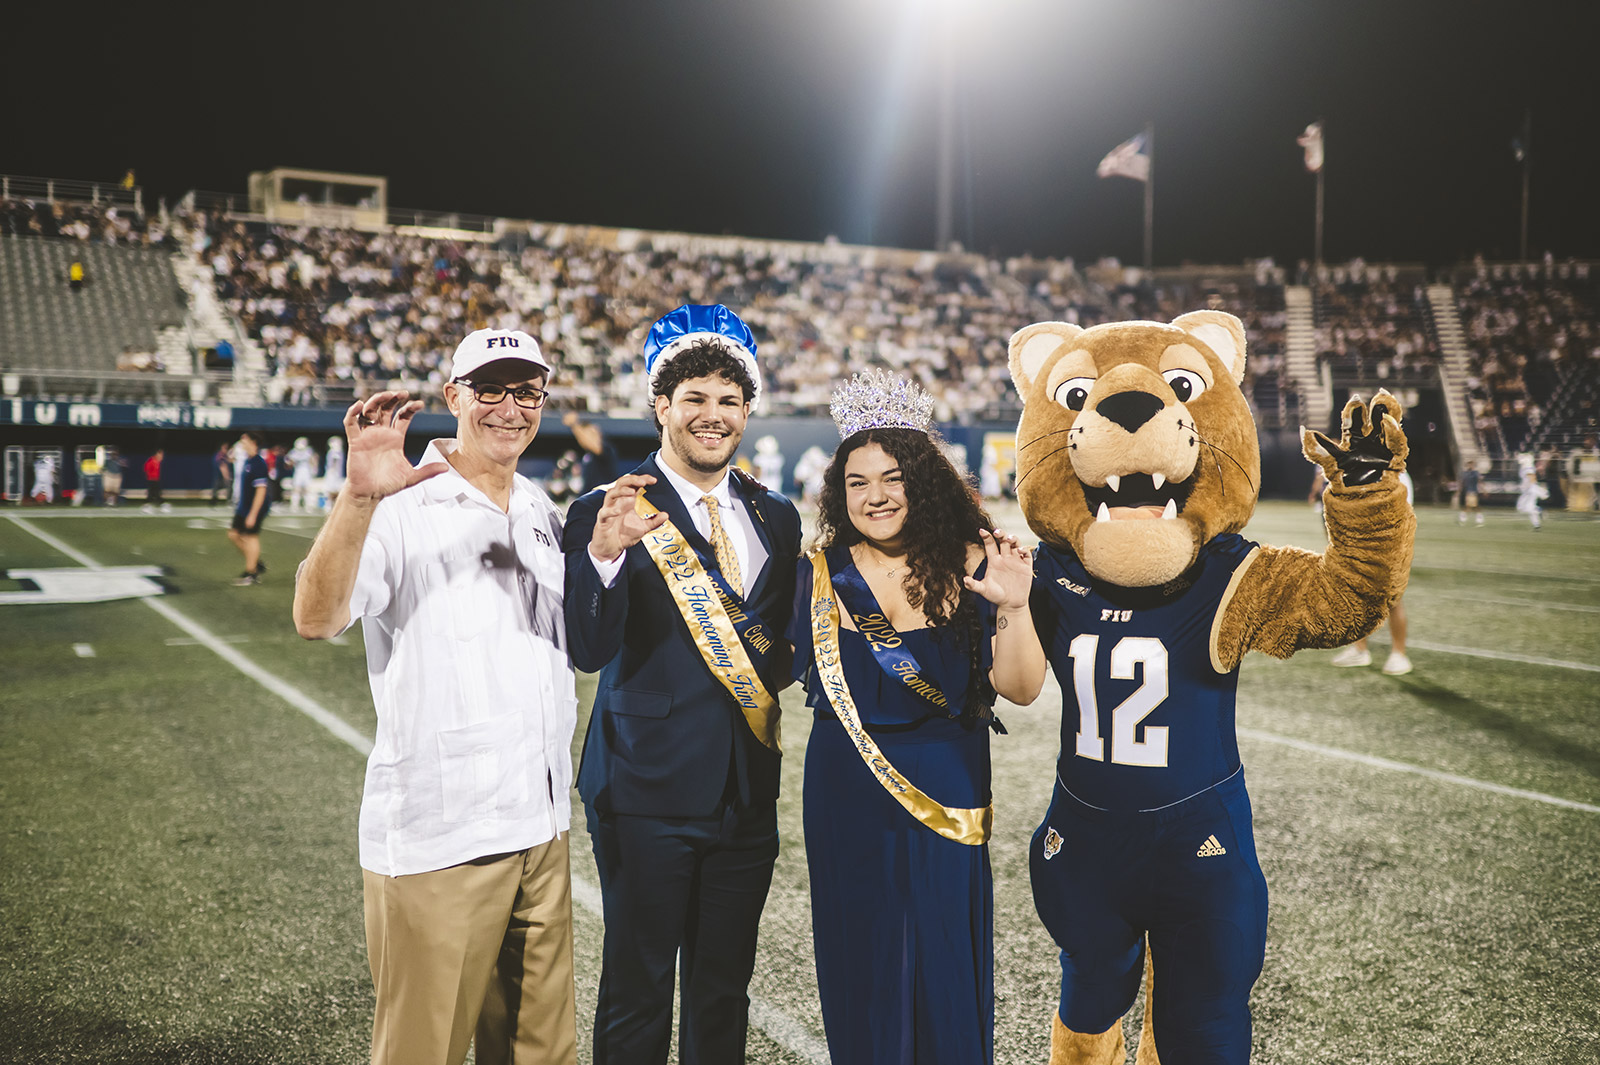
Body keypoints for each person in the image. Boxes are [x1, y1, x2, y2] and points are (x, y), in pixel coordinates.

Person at [292, 328, 579, 1065]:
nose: (509, 408)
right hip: (442, 840)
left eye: (526, 391)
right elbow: (316, 617)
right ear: (454, 396)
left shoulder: (543, 509)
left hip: (542, 833)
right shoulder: (399, 501)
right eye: (490, 388)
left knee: (541, 1053)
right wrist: (357, 499)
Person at [564, 304, 802, 1065]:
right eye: (694, 398)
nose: (713, 415)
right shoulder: (609, 507)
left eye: (729, 401)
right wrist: (602, 557)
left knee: (722, 992)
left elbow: (777, 653)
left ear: (747, 411)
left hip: (746, 796)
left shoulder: (777, 514)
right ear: (660, 405)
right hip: (644, 793)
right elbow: (588, 647)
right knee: (637, 995)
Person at [788, 369, 1045, 1065]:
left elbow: (1020, 689)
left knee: (941, 945)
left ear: (923, 480)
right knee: (860, 944)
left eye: (892, 477)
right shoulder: (817, 572)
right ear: (839, 493)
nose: (875, 495)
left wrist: (1017, 607)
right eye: (858, 482)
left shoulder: (977, 565)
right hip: (844, 785)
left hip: (947, 777)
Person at [1333, 469, 1415, 675]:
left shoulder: (1396, 474)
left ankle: (1399, 654)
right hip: (1360, 543)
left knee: (1393, 600)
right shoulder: (1360, 471)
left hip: (1388, 544)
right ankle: (1360, 650)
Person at [228, 433, 271, 585]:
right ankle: (255, 562)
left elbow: (261, 490)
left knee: (252, 537)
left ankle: (251, 573)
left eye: (244, 439)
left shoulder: (258, 463)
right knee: (233, 534)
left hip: (254, 508)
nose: (241, 442)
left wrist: (253, 514)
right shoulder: (248, 461)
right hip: (243, 506)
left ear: (253, 442)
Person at [562, 410, 618, 492]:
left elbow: (593, 445)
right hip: (588, 496)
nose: (584, 437)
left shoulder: (607, 449)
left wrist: (574, 424)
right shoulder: (587, 454)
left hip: (601, 497)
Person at [287, 436, 318, 511]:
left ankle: (308, 505)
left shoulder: (308, 450)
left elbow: (313, 459)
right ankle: (294, 505)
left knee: (307, 489)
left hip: (306, 471)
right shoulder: (294, 451)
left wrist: (314, 469)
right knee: (297, 488)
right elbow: (289, 461)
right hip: (298, 471)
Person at [1458, 457, 1483, 525]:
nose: (1470, 466)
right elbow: (1462, 482)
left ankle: (1463, 519)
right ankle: (1478, 519)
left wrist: (1484, 490)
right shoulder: (1465, 473)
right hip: (1467, 492)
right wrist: (1459, 490)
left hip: (1474, 491)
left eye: (1472, 465)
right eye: (1469, 465)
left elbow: (1480, 481)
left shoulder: (1476, 473)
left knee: (1473, 506)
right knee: (1470, 506)